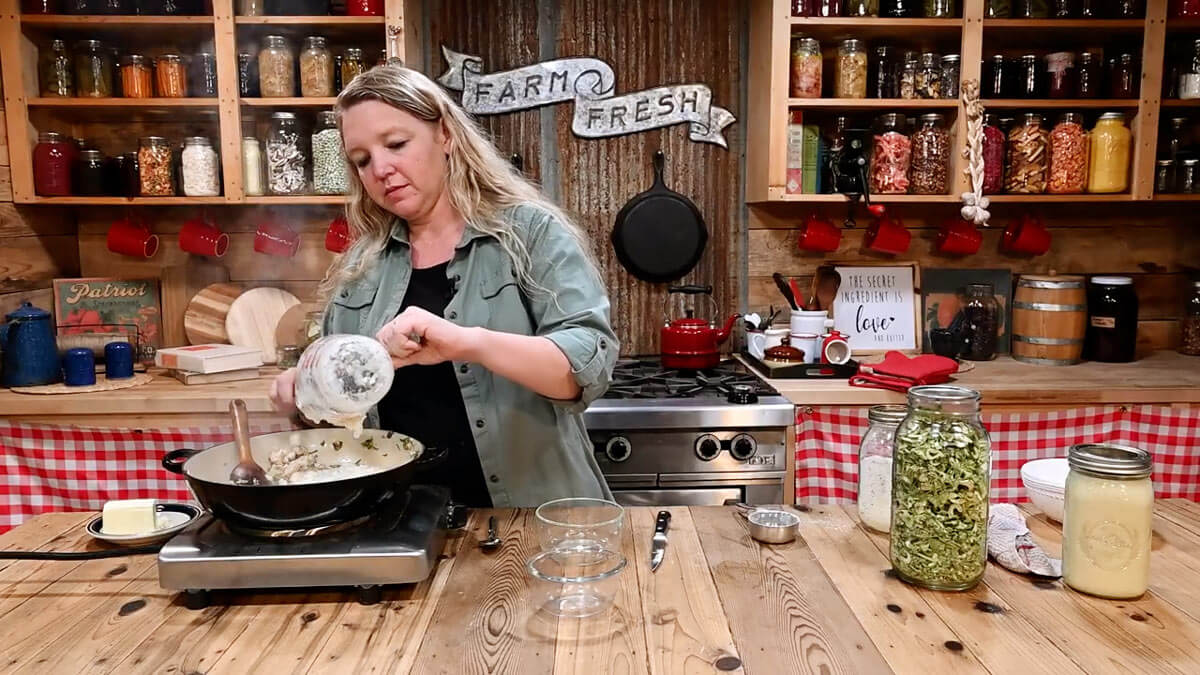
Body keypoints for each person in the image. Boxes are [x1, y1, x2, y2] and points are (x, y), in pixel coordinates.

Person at [269, 64, 619, 507]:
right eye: (362, 160)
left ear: (445, 135)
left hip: (531, 519)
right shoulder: (362, 264)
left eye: (396, 144)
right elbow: (346, 413)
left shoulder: (528, 233)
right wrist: (306, 396)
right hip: (404, 525)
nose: (381, 168)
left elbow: (587, 366)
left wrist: (467, 342)